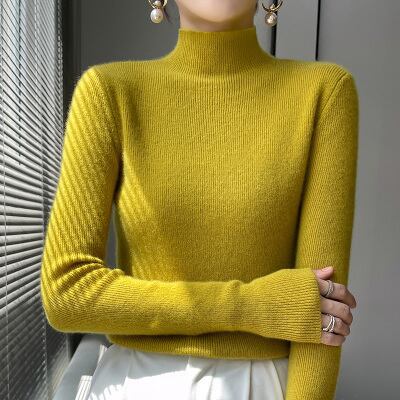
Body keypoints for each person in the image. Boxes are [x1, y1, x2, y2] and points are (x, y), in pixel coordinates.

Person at [40, 0, 359, 399]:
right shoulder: (108, 92)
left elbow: (321, 313)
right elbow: (66, 293)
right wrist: (251, 306)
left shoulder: (324, 92)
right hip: (137, 385)